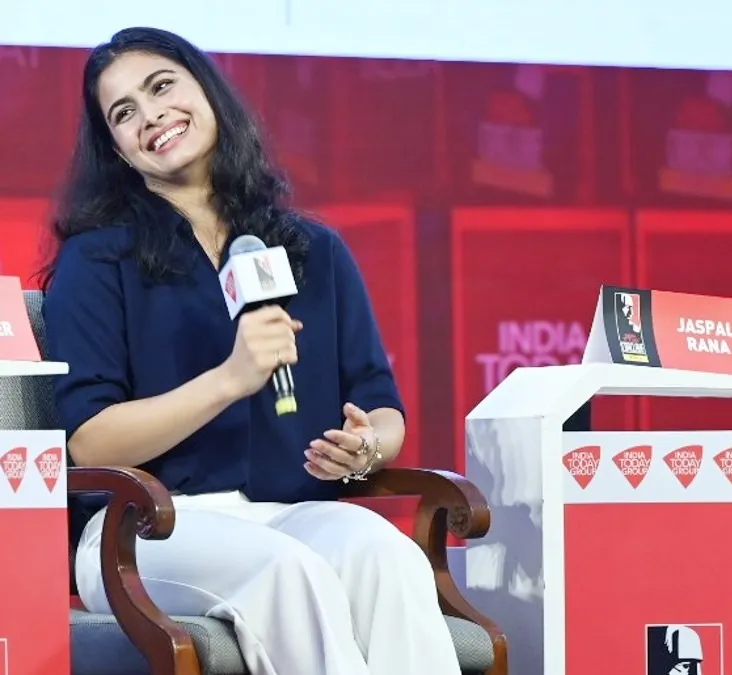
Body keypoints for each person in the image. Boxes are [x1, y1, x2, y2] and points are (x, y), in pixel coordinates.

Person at [41, 27, 461, 675]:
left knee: (388, 554)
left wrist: (365, 446)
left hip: (291, 510)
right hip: (145, 530)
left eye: (161, 86)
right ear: (117, 149)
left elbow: (380, 408)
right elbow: (91, 445)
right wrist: (230, 378)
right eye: (123, 112)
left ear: (206, 91)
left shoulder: (313, 250)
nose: (150, 114)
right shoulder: (98, 259)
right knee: (289, 573)